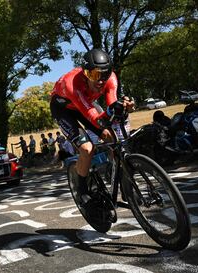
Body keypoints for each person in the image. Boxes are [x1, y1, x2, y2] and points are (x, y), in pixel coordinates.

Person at [49, 48, 134, 208]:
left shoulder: (111, 79)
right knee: (87, 149)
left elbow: (111, 105)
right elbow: (94, 118)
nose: (100, 80)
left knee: (111, 137)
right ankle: (82, 190)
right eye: (94, 75)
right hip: (64, 109)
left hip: (86, 104)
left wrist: (122, 107)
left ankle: (117, 175)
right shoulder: (71, 83)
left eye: (104, 74)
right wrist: (109, 113)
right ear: (85, 73)